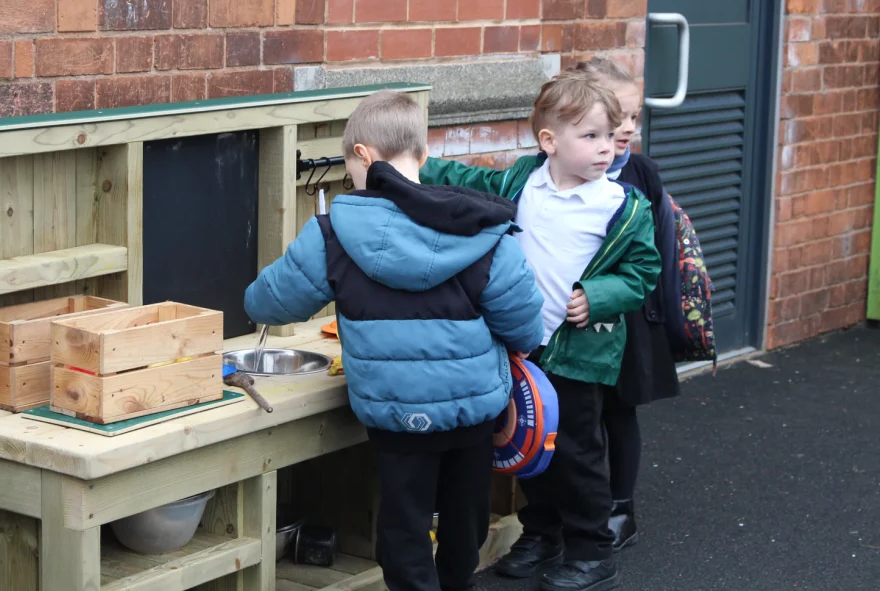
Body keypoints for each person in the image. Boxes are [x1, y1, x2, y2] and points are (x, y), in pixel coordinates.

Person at [244, 89, 545, 591]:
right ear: (422, 156)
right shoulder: (484, 230)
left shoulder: (333, 232)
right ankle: (457, 582)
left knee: (403, 526)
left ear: (361, 156)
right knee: (464, 519)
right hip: (473, 412)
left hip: (397, 416)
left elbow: (267, 303)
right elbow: (525, 327)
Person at [419, 73, 661, 591]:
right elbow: (466, 180)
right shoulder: (522, 182)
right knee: (532, 449)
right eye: (592, 136)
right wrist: (407, 163)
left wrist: (600, 295)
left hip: (578, 352)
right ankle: (543, 531)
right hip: (523, 348)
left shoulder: (621, 204)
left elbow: (643, 272)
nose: (608, 146)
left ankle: (594, 549)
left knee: (578, 453)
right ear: (549, 142)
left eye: (612, 134)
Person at [575, 57, 681, 551]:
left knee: (619, 414)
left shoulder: (642, 174)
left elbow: (658, 253)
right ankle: (566, 510)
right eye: (616, 117)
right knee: (576, 415)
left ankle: (621, 508)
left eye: (634, 118)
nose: (627, 129)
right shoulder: (559, 172)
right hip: (576, 317)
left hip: (630, 317)